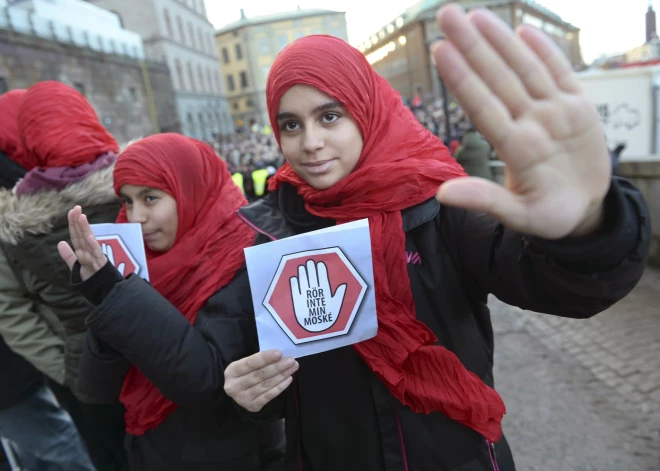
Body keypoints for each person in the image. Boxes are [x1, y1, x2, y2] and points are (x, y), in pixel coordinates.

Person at [222, 6, 651, 471]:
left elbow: (555, 283)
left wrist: (588, 225)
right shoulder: (267, 232)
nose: (310, 142)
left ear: (366, 110)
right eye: (291, 124)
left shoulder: (441, 203)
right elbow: (270, 376)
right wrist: (250, 395)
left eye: (330, 116)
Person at [57, 134, 285, 471]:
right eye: (127, 200)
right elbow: (96, 388)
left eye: (150, 198)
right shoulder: (135, 264)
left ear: (190, 189)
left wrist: (115, 296)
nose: (136, 217)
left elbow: (205, 384)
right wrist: (108, 296)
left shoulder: (244, 260)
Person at [0, 81, 129, 471]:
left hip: (91, 372)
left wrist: (71, 372)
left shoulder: (16, 221)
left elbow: (13, 313)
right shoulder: (135, 183)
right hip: (150, 358)